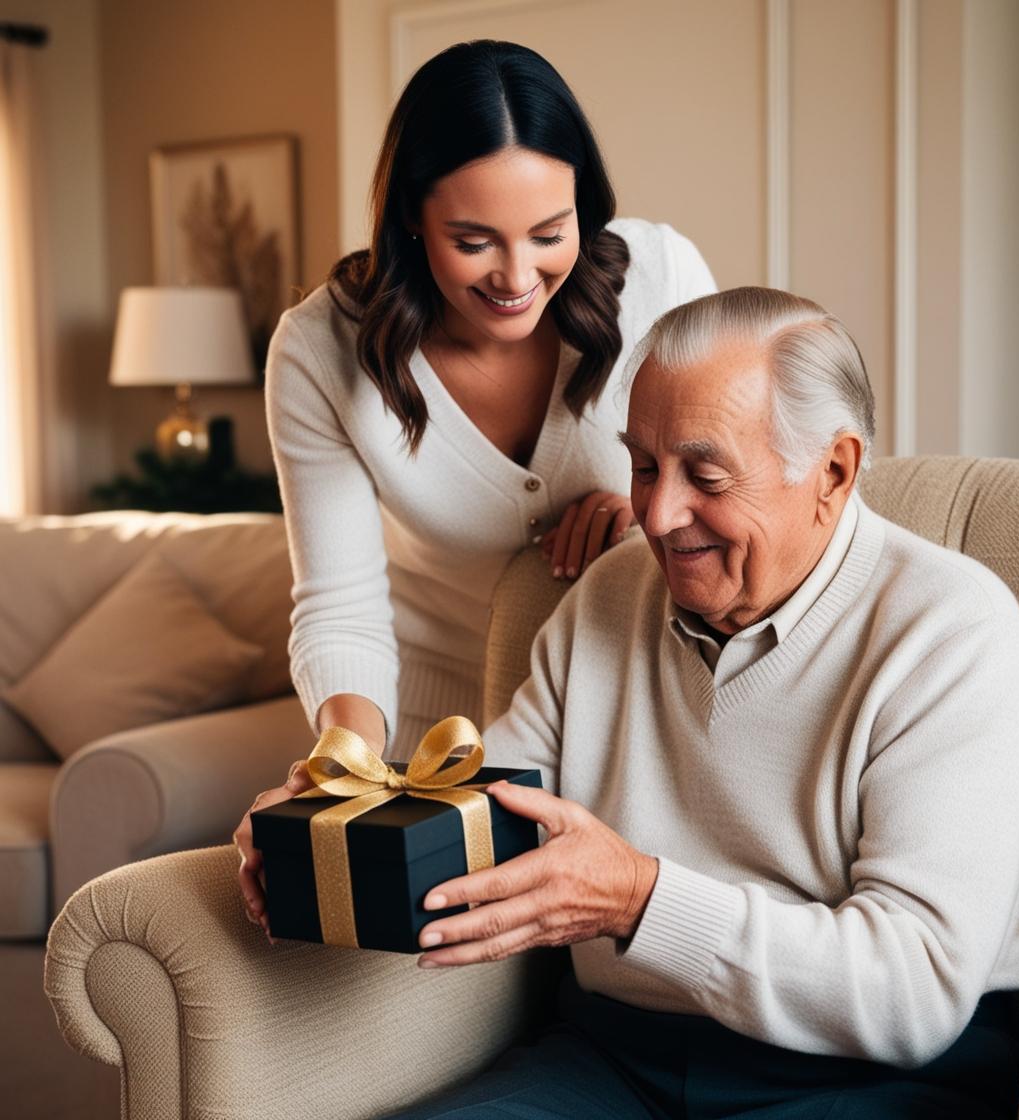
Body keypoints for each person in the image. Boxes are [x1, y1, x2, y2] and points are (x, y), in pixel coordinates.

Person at [382, 287, 1019, 1118]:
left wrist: (640, 898)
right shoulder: (610, 593)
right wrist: (327, 831)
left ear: (832, 472)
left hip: (870, 1077)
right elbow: (484, 806)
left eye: (706, 473)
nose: (658, 517)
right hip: (616, 1056)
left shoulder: (949, 628)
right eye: (644, 465)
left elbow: (914, 989)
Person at [234, 39, 716, 931]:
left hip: (627, 708)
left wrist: (649, 510)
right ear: (411, 217)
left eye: (549, 233)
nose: (516, 276)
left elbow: (739, 489)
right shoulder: (321, 350)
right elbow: (339, 601)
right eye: (473, 241)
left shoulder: (659, 280)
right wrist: (342, 761)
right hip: (436, 734)